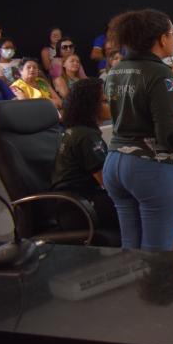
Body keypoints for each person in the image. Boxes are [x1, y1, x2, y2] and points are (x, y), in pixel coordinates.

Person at [102, 9, 173, 251]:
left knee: (132, 248)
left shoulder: (115, 71)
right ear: (162, 39)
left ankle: (136, 290)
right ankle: (157, 290)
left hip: (116, 163)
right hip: (150, 166)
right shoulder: (160, 74)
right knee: (157, 252)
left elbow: (137, 108)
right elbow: (169, 135)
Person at [50, 78, 119, 235]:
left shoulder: (80, 131)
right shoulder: (86, 136)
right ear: (90, 106)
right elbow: (108, 181)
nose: (111, 104)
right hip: (79, 208)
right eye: (105, 101)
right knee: (138, 205)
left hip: (77, 204)